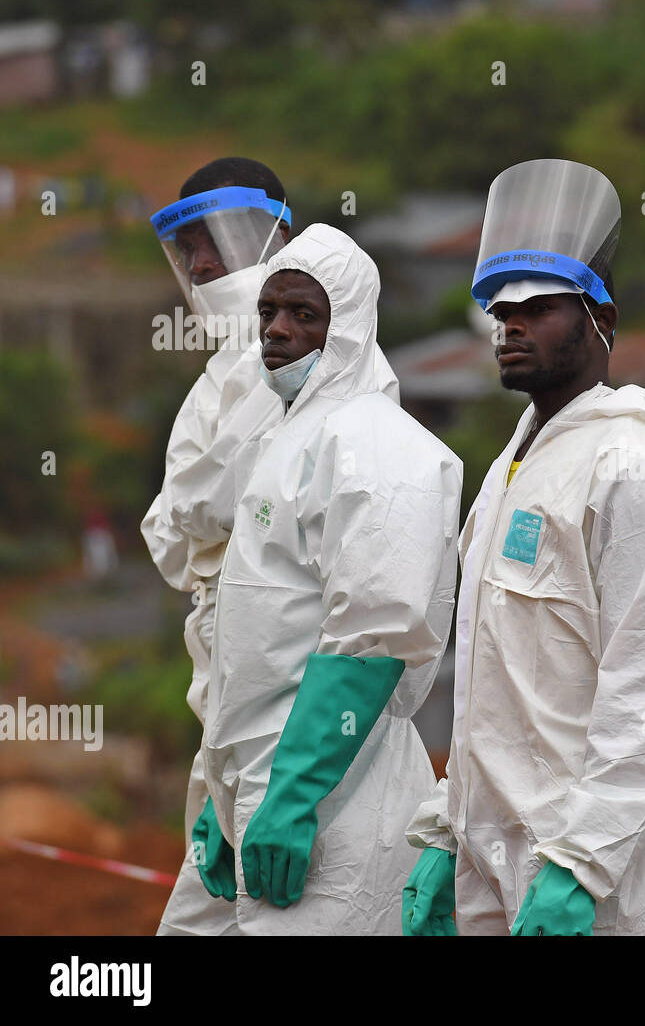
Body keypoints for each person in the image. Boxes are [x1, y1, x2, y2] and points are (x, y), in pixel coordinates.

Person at [402, 159, 645, 936]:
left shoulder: (634, 460)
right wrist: (445, 830)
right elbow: (491, 685)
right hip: (495, 858)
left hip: (603, 878)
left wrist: (583, 863)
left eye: (540, 307)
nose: (511, 325)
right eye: (502, 310)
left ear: (600, 319)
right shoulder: (509, 471)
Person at [156, 223, 462, 934]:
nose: (278, 330)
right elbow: (257, 643)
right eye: (268, 312)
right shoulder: (286, 439)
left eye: (304, 313)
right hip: (262, 791)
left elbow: (373, 640)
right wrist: (223, 792)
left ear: (349, 327)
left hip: (334, 808)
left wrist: (292, 798)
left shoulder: (378, 445)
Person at [141, 159, 404, 912]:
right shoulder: (220, 374)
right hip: (225, 714)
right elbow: (173, 535)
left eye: (214, 238)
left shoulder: (326, 373)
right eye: (187, 244)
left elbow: (203, 508)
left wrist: (289, 785)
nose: (200, 262)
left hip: (300, 730)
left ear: (278, 234)